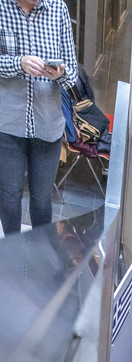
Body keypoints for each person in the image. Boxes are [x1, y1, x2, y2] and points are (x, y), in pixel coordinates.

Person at [0, 0, 78, 235]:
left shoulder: (58, 9)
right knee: (10, 196)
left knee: (42, 200)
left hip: (48, 123)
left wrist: (60, 74)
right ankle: (12, 250)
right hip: (7, 124)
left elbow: (72, 72)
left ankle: (40, 251)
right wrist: (19, 63)